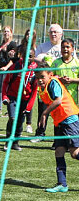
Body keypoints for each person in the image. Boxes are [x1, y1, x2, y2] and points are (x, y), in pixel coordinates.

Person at [34, 60, 79, 193]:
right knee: (59, 151)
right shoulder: (41, 88)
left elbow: (58, 100)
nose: (40, 80)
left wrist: (44, 114)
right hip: (59, 122)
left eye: (42, 77)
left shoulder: (53, 83)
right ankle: (62, 184)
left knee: (74, 153)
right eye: (37, 78)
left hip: (69, 119)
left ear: (50, 75)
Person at [1, 48, 38, 151]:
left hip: (25, 99)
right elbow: (6, 82)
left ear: (34, 57)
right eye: (26, 56)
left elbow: (35, 90)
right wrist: (4, 96)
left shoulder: (35, 70)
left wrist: (29, 106)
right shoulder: (16, 66)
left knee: (20, 121)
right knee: (12, 118)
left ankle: (15, 142)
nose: (28, 58)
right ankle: (8, 141)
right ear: (22, 56)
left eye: (30, 56)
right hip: (13, 97)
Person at [34, 24, 63, 139]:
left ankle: (58, 138)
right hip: (44, 84)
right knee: (42, 108)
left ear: (61, 34)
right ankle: (40, 133)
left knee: (58, 110)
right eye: (51, 32)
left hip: (58, 83)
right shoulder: (42, 47)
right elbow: (36, 61)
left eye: (55, 32)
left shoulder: (64, 46)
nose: (53, 34)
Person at [0, 26, 16, 116]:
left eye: (8, 31)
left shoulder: (12, 44)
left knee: (7, 90)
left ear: (11, 33)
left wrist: (6, 67)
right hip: (1, 70)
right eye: (4, 31)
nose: (6, 33)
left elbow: (13, 59)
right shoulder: (2, 44)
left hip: (8, 70)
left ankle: (10, 110)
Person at [51, 38, 79, 105]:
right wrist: (59, 79)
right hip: (59, 98)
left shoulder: (77, 63)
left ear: (72, 49)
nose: (65, 49)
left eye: (67, 47)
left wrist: (72, 80)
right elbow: (50, 77)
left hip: (73, 99)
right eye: (63, 47)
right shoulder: (56, 63)